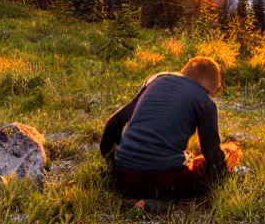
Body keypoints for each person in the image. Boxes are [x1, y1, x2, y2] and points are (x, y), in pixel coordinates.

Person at [100, 56, 241, 200]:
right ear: (209, 83)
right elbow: (212, 155)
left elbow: (113, 123)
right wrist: (221, 171)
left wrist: (111, 160)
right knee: (230, 151)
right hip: (166, 183)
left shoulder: (156, 80)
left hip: (122, 177)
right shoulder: (205, 102)